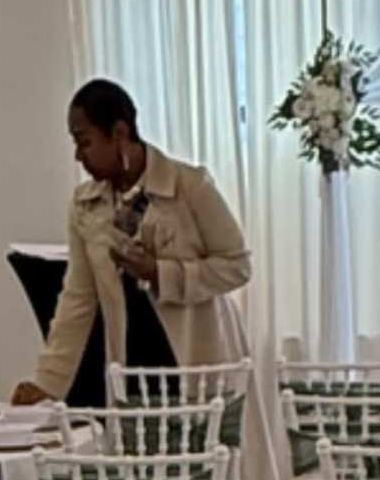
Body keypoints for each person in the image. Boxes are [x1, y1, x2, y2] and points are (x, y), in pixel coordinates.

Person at [14, 82, 252, 407]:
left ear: (120, 133)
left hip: (197, 361)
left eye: (84, 142)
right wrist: (47, 383)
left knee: (203, 455)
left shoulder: (189, 186)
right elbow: (77, 300)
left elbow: (237, 266)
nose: (77, 156)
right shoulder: (85, 204)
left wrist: (160, 273)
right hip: (132, 370)